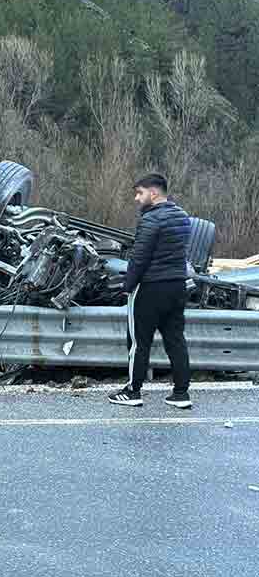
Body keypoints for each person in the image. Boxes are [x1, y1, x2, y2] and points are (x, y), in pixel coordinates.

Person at [108, 173, 193, 409]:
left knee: (138, 341)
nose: (137, 198)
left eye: (140, 193)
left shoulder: (151, 219)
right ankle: (181, 394)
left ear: (153, 193)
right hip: (177, 286)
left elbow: (139, 258)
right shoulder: (183, 216)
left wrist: (128, 286)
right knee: (175, 339)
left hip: (151, 287)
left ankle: (133, 391)